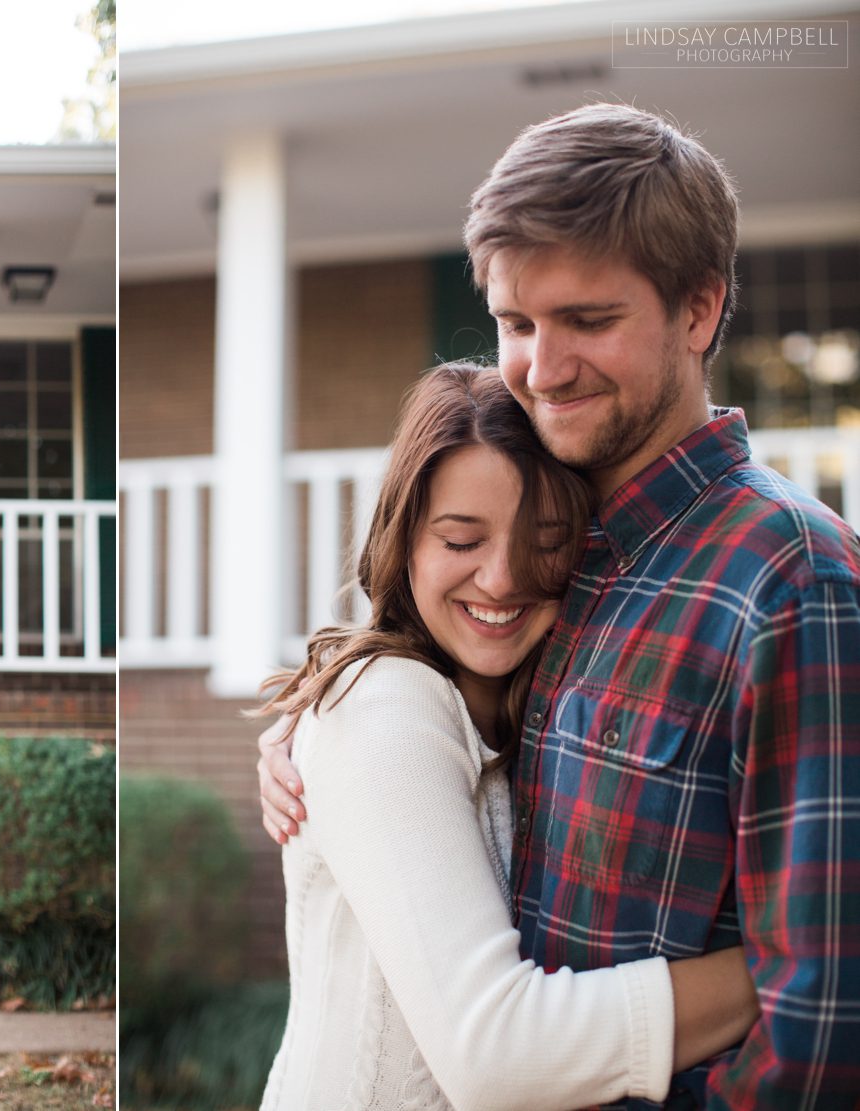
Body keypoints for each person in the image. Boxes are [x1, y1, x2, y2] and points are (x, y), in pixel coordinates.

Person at [259, 103, 860, 1108]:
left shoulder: (791, 584)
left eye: (587, 320)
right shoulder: (560, 552)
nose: (541, 366)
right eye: (514, 323)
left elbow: (816, 1028)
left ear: (698, 311)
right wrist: (317, 731)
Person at [257, 362, 757, 1110]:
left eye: (545, 539)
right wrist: (790, 969)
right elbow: (499, 1055)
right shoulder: (382, 705)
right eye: (462, 539)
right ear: (407, 540)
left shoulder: (537, 712)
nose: (501, 578)